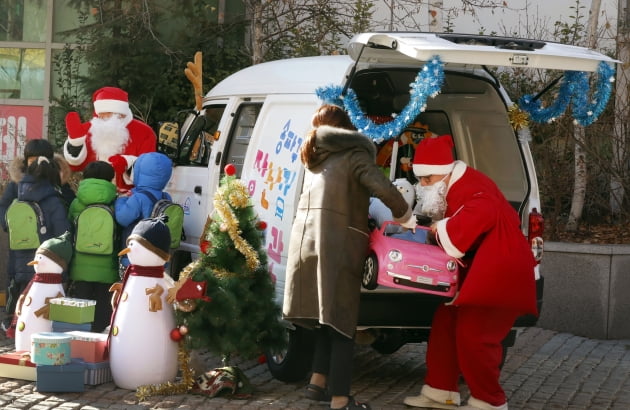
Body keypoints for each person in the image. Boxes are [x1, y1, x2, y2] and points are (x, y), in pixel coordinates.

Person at [282, 104, 416, 410]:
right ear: (347, 129)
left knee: (325, 318)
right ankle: (341, 399)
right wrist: (405, 215)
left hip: (309, 243)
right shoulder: (354, 154)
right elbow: (381, 187)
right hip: (338, 244)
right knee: (342, 320)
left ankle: (317, 384)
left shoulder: (314, 155)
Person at [402, 135, 538, 410]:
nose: (423, 186)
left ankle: (490, 401)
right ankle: (440, 391)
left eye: (427, 180)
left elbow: (478, 216)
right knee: (445, 325)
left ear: (442, 173)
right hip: (481, 270)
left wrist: (439, 229)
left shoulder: (474, 188)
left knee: (476, 337)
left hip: (499, 273)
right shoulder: (454, 186)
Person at [0, 139, 72, 337]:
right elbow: (4, 207)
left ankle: (23, 328)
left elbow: (68, 206)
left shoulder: (57, 181)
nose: (34, 164)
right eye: (30, 160)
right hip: (24, 246)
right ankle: (18, 324)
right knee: (19, 284)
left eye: (37, 160)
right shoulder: (18, 184)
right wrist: (12, 224)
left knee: (35, 287)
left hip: (44, 247)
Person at [63, 86, 157, 193]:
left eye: (110, 114)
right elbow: (76, 166)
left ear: (122, 113)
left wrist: (127, 163)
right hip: (95, 194)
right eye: (102, 115)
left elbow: (149, 169)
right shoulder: (90, 129)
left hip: (129, 196)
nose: (105, 119)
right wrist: (75, 146)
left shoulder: (144, 132)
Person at [67, 160, 119, 332]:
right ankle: (99, 348)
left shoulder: (76, 203)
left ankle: (79, 343)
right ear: (111, 179)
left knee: (81, 312)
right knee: (104, 312)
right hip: (107, 267)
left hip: (80, 267)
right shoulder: (115, 203)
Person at [114, 151, 174, 269]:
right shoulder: (166, 197)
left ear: (139, 172)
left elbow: (122, 218)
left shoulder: (138, 197)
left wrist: (121, 200)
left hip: (137, 253)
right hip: (159, 252)